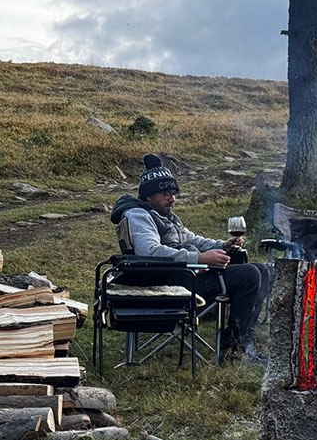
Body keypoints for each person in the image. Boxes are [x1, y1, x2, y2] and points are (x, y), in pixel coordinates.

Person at [109, 153, 270, 362]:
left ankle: (244, 338)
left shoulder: (165, 215)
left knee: (263, 270)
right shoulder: (138, 215)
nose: (172, 199)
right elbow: (149, 252)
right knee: (249, 275)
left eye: (173, 193)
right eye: (166, 194)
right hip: (169, 281)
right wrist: (200, 258)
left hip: (185, 274)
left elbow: (190, 238)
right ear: (148, 196)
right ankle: (234, 347)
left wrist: (221, 245)